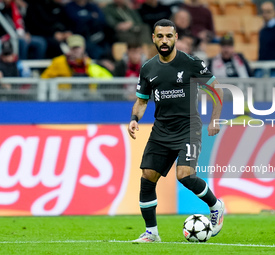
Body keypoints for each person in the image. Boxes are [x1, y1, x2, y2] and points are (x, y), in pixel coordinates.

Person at [127, 19, 225, 243]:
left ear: (176, 38)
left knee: (185, 175)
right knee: (147, 177)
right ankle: (151, 233)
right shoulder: (148, 68)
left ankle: (215, 205)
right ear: (153, 38)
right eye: (160, 36)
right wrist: (134, 119)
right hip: (161, 130)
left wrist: (215, 120)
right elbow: (141, 102)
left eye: (168, 36)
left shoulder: (190, 63)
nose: (164, 40)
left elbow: (216, 88)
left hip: (188, 128)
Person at [41, 34, 112, 99]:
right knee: (77, 96)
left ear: (83, 48)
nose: (76, 50)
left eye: (78, 47)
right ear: (68, 48)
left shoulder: (89, 63)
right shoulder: (59, 62)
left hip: (87, 94)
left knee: (97, 97)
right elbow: (44, 78)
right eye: (73, 48)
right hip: (65, 95)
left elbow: (109, 79)